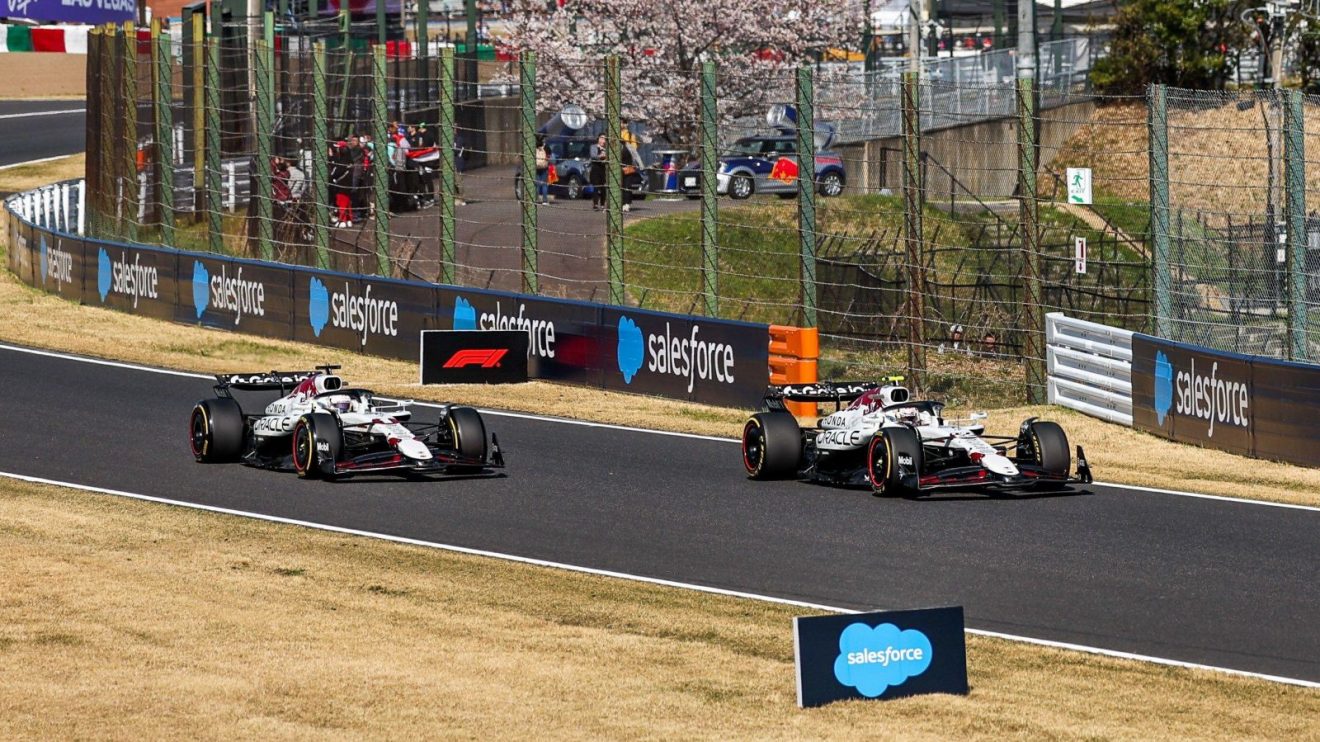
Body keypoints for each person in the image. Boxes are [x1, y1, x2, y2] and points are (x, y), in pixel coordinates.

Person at [589, 133, 607, 210]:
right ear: (598, 138)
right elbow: (593, 156)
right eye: (601, 138)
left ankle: (603, 204)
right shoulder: (593, 147)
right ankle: (595, 204)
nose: (603, 140)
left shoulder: (606, 148)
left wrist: (605, 156)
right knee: (596, 186)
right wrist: (600, 156)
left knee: (603, 187)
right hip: (595, 168)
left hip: (603, 169)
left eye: (604, 138)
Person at [533, 135, 551, 205]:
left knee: (537, 184)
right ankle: (545, 201)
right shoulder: (546, 147)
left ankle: (536, 200)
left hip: (536, 167)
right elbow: (549, 156)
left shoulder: (534, 147)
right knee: (544, 184)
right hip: (544, 167)